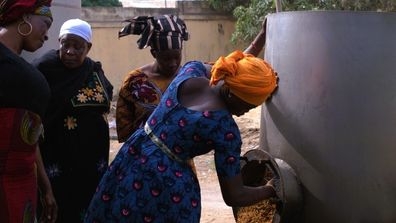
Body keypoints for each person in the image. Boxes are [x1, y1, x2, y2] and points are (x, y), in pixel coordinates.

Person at [83, 20, 279, 223]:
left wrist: (258, 43)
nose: (244, 113)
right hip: (165, 182)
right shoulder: (225, 129)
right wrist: (270, 189)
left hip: (134, 155)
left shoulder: (191, 70)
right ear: (231, 93)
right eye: (247, 105)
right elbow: (234, 196)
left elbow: (230, 68)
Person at [32, 18, 114, 223]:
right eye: (65, 44)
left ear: (89, 47)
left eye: (78, 47)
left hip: (91, 163)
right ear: (58, 41)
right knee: (57, 209)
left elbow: (106, 95)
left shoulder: (93, 69)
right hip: (57, 160)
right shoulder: (44, 68)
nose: (70, 51)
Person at [0, 0, 57, 223]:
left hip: (23, 185)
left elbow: (29, 137)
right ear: (25, 17)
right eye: (45, 24)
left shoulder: (17, 65)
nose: (46, 36)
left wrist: (45, 186)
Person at [116, 14, 189, 143]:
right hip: (141, 155)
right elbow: (124, 130)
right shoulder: (135, 82)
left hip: (180, 158)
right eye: (166, 58)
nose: (172, 63)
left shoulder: (188, 78)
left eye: (177, 57)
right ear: (153, 53)